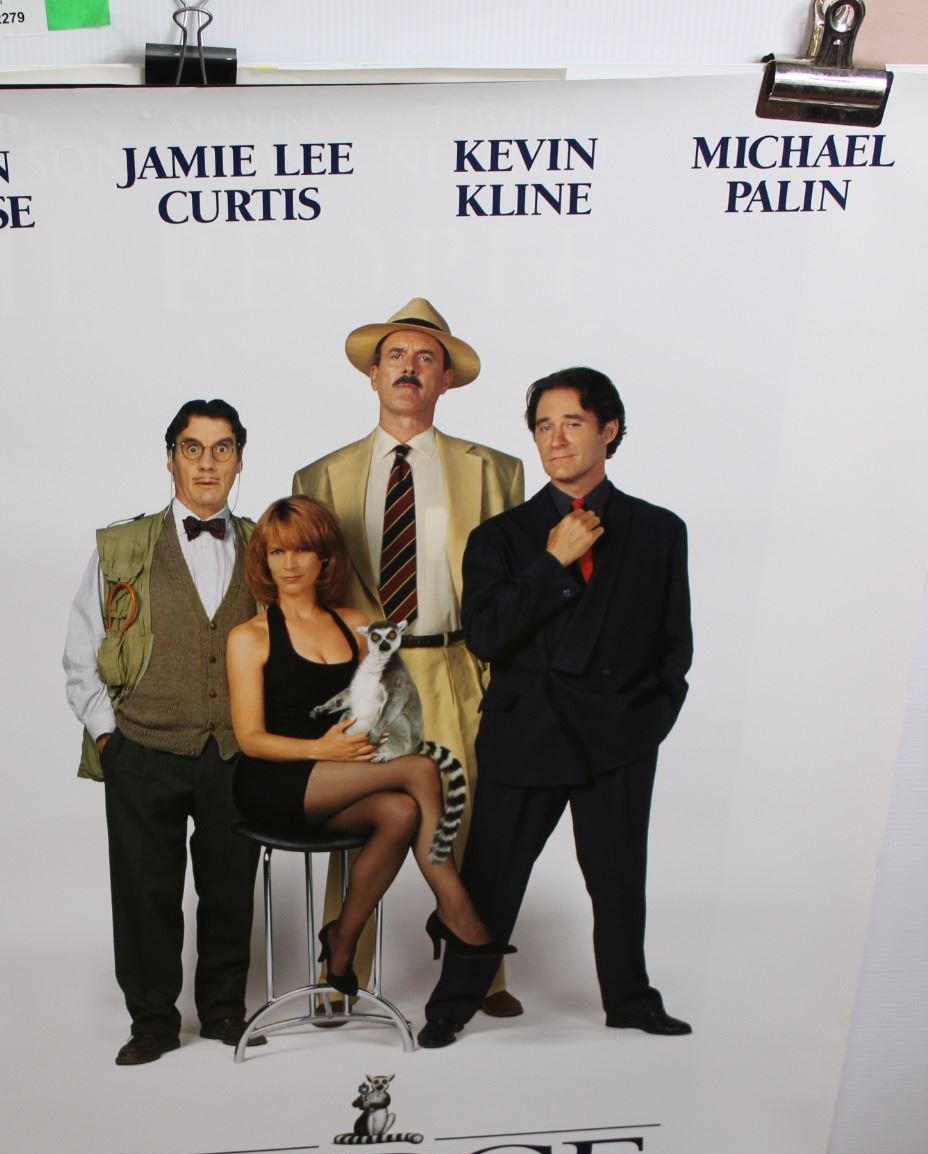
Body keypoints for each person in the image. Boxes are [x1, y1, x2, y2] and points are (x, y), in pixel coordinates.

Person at [419, 367, 693, 1048]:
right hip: (526, 732)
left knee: (619, 880)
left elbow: (674, 646)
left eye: (573, 423)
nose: (556, 439)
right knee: (491, 879)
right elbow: (486, 637)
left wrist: (648, 720)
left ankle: (630, 1001)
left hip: (619, 737)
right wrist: (551, 562)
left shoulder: (659, 530)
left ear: (609, 430)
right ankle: (452, 1005)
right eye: (544, 426)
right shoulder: (501, 537)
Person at [292, 297, 525, 1016]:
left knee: (469, 816)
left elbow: (512, 585)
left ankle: (483, 977)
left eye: (427, 358)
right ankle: (337, 976)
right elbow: (307, 592)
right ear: (373, 374)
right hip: (367, 675)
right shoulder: (320, 477)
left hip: (455, 664)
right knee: (365, 818)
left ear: (445, 380)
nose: (409, 368)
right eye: (395, 355)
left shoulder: (495, 470)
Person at [227, 497, 508, 994]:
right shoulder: (250, 637)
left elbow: (378, 703)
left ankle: (341, 940)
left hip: (338, 776)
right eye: (277, 552)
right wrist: (322, 750)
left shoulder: (353, 625)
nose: (290, 564)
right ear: (264, 560)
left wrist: (367, 741)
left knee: (401, 812)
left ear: (324, 557)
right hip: (276, 781)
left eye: (301, 550)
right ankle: (456, 909)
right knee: (421, 770)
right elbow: (250, 739)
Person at [62, 399, 261, 1066]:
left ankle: (225, 1010)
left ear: (239, 460)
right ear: (170, 457)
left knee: (229, 887)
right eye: (192, 448)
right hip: (143, 748)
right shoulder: (123, 547)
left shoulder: (263, 545)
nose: (207, 462)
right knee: (145, 892)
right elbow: (81, 650)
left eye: (222, 448)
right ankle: (152, 1022)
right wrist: (109, 739)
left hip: (232, 750)